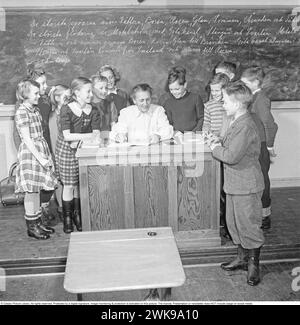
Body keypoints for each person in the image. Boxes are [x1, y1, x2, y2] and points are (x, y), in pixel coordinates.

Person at [209, 81, 265, 286]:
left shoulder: (246, 125)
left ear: (237, 103)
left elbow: (231, 156)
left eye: (224, 101)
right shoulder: (237, 121)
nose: (222, 104)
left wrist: (215, 146)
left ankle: (253, 265)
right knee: (234, 223)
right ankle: (242, 258)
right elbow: (231, 146)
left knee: (248, 225)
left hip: (246, 185)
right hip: (235, 185)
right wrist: (218, 141)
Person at [56, 77, 101, 233]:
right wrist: (87, 136)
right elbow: (67, 136)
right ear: (76, 92)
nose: (91, 94)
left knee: (79, 185)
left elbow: (96, 132)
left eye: (91, 90)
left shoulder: (93, 109)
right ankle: (67, 220)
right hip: (67, 152)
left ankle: (77, 216)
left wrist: (84, 138)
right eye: (88, 91)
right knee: (68, 186)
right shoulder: (66, 109)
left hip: (83, 152)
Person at [13, 62, 56, 224]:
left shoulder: (35, 109)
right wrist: (41, 158)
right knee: (31, 192)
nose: (39, 95)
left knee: (37, 189)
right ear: (25, 95)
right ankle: (32, 226)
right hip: (31, 154)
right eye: (36, 92)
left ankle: (38, 222)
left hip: (40, 150)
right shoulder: (22, 111)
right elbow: (26, 139)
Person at [241, 66, 278, 230]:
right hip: (254, 144)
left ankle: (265, 217)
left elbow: (270, 125)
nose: (242, 86)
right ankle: (257, 214)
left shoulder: (261, 99)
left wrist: (269, 146)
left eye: (245, 83)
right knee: (256, 180)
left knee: (262, 180)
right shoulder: (252, 97)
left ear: (256, 82)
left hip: (261, 145)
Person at [203, 73, 231, 240]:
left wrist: (220, 138)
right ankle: (220, 220)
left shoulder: (230, 105)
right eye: (212, 91)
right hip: (214, 147)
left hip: (226, 146)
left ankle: (228, 224)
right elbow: (206, 123)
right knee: (217, 185)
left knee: (225, 188)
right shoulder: (209, 105)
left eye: (217, 91)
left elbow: (230, 127)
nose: (214, 94)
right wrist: (206, 133)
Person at [48, 85, 71, 221]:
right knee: (60, 182)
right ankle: (63, 209)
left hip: (69, 153)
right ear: (57, 98)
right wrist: (56, 159)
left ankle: (70, 209)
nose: (69, 100)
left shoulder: (69, 112)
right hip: (59, 155)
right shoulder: (53, 117)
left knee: (69, 183)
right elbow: (54, 138)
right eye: (65, 97)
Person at [159, 66, 204, 135]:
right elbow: (167, 123)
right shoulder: (167, 102)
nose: (174, 92)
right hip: (175, 137)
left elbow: (201, 118)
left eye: (177, 89)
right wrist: (175, 132)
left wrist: (194, 133)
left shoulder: (196, 98)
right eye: (171, 89)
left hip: (194, 136)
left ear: (185, 85)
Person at [91, 75, 116, 140]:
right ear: (92, 89)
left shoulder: (110, 104)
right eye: (101, 88)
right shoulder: (88, 105)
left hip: (107, 137)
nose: (105, 91)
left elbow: (113, 123)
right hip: (91, 139)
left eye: (106, 88)